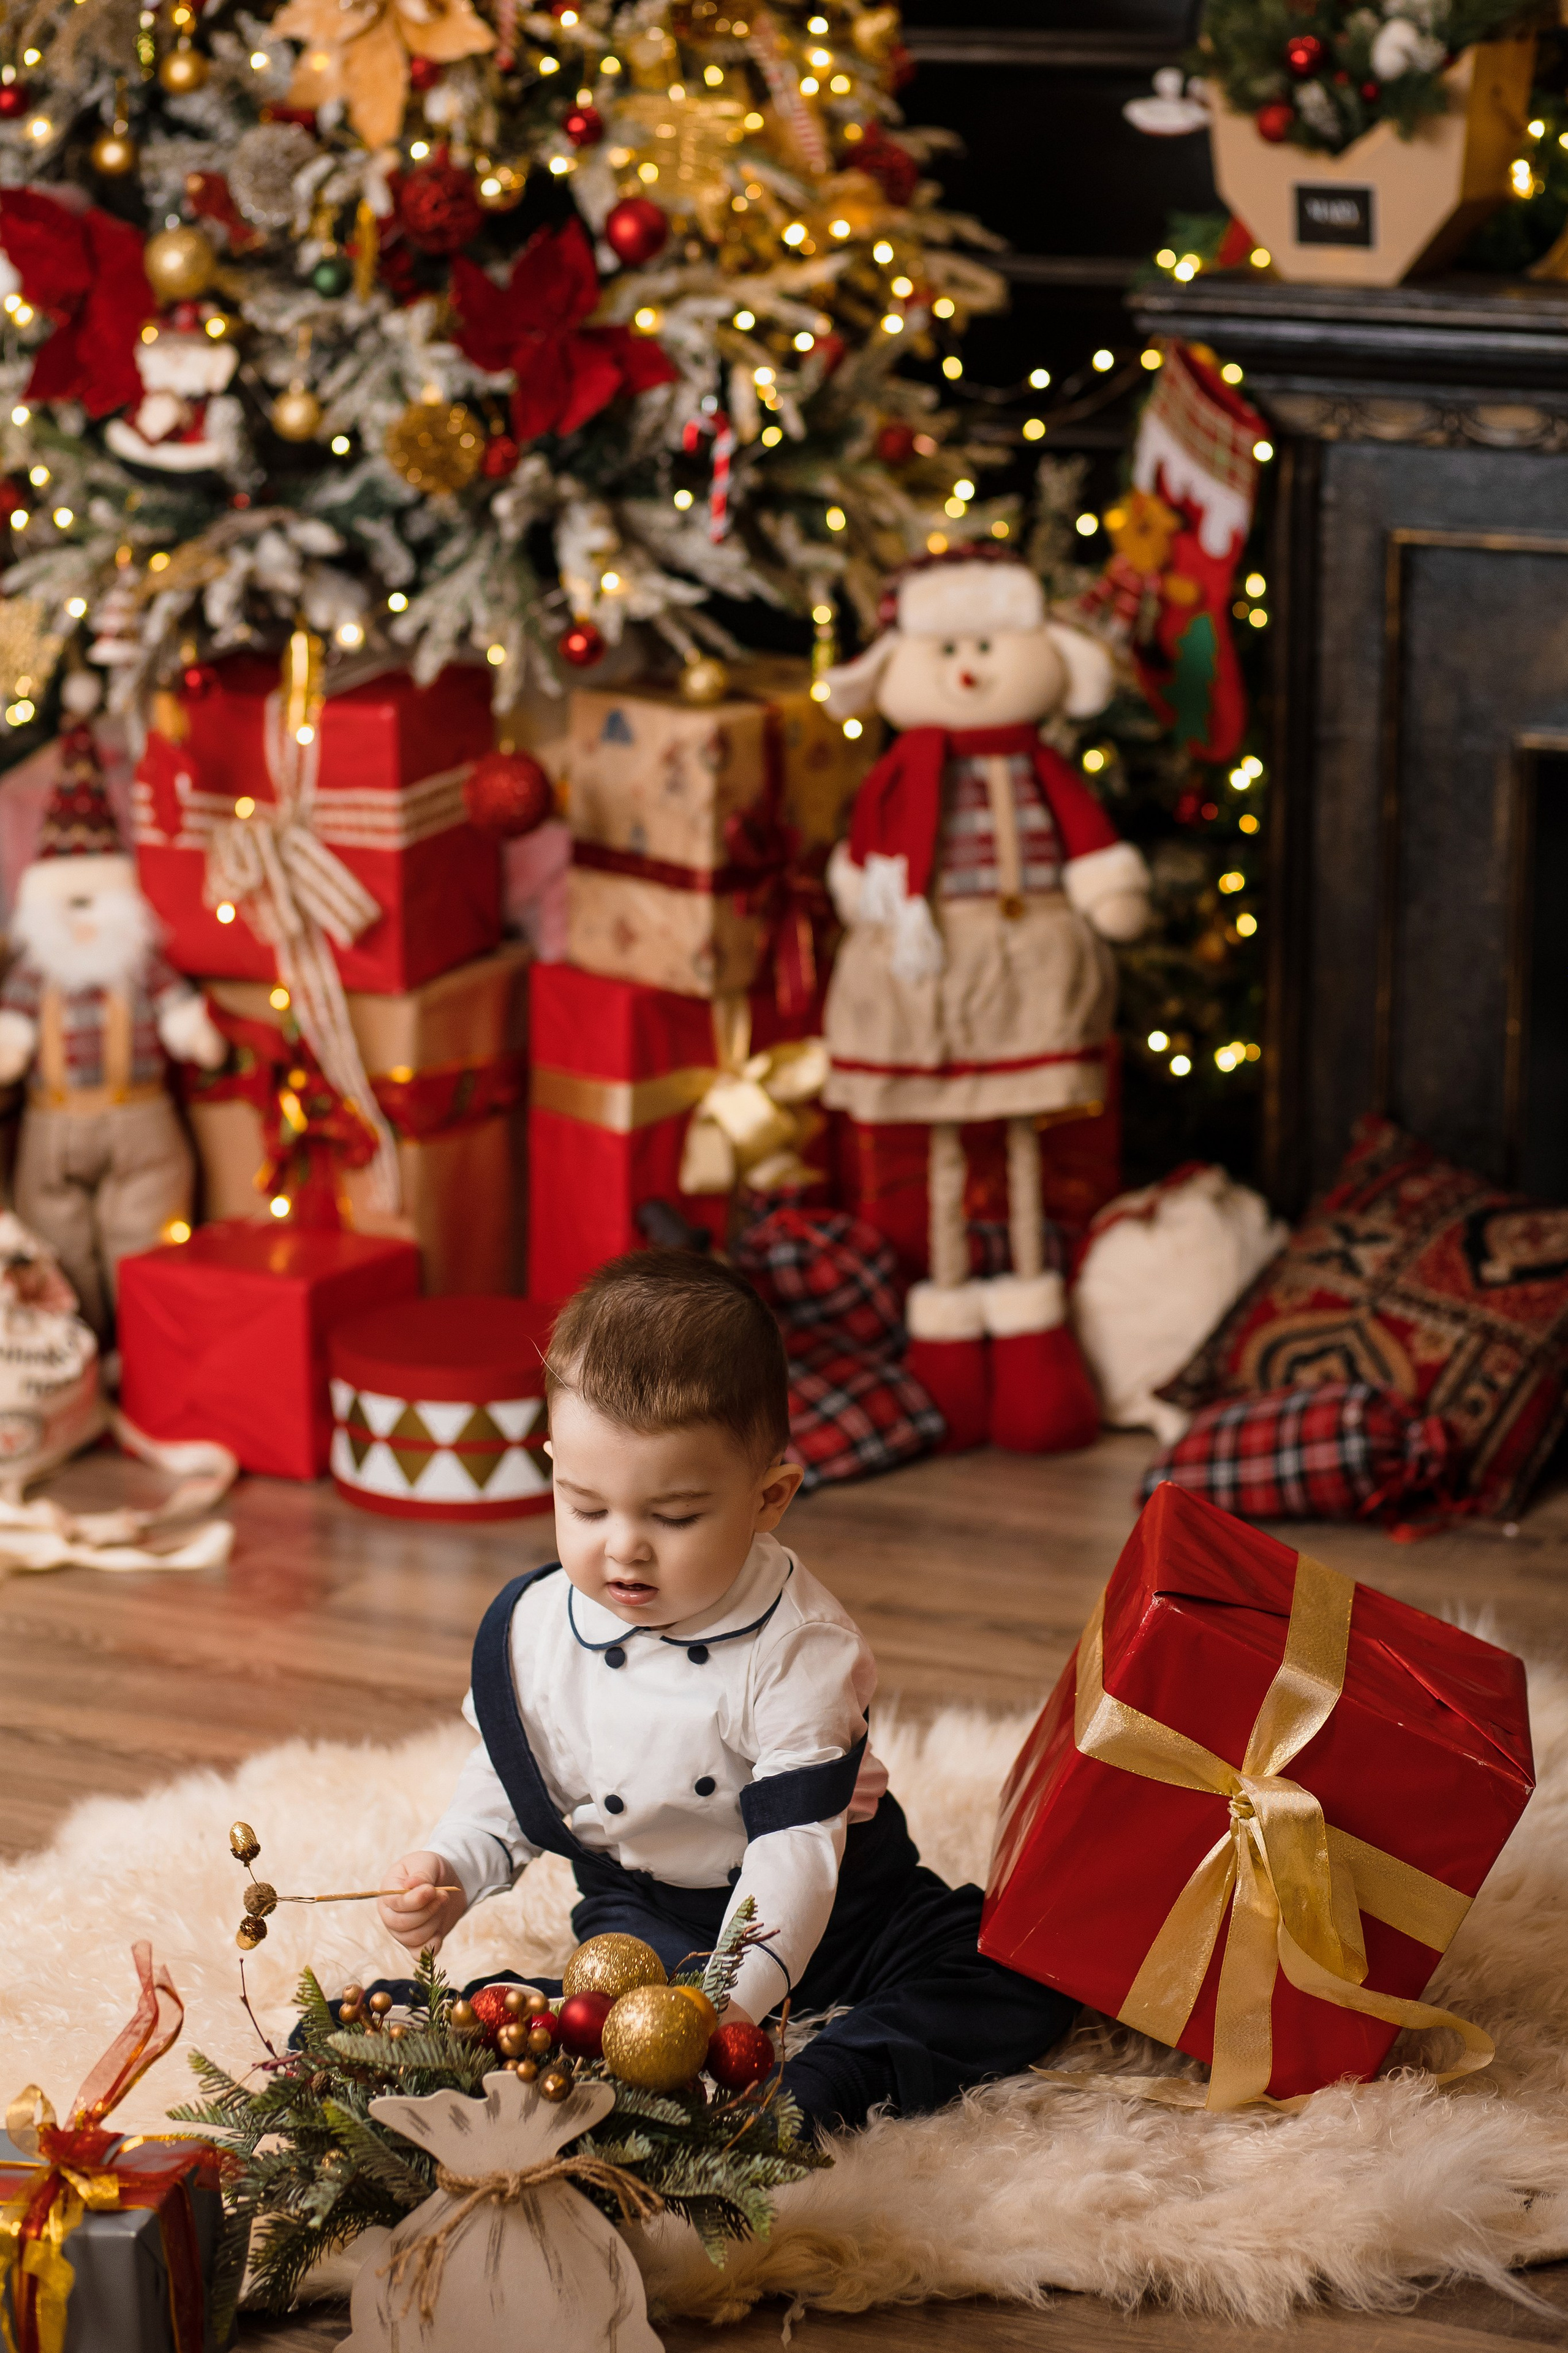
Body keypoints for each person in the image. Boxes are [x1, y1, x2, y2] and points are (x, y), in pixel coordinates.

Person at [379, 1248, 1075, 2132]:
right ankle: (488, 2023)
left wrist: (727, 2004)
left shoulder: (799, 1646)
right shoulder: (537, 1629)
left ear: (769, 1496)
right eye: (586, 1506)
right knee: (616, 2025)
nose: (623, 1547)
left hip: (849, 1901)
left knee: (1013, 1975)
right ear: (553, 1465)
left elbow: (795, 1853)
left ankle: (826, 2079)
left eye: (673, 1517)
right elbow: (516, 1776)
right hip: (643, 1906)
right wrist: (453, 1864)